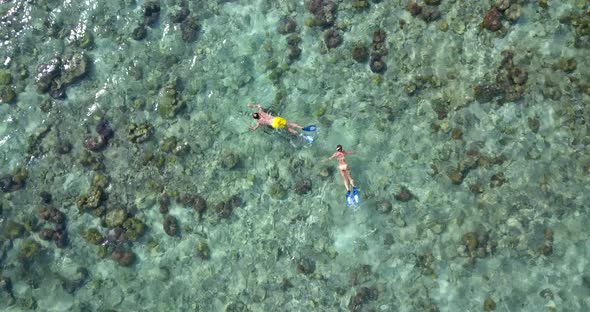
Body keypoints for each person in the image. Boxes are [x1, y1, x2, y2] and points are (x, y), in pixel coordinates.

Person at [247, 104, 316, 143]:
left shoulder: (259, 122)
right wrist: (252, 106)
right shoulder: (261, 112)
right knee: (290, 124)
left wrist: (249, 126)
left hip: (274, 124)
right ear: (258, 113)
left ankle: (303, 135)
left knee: (288, 129)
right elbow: (259, 105)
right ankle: (302, 128)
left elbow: (254, 128)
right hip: (276, 119)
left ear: (256, 118)